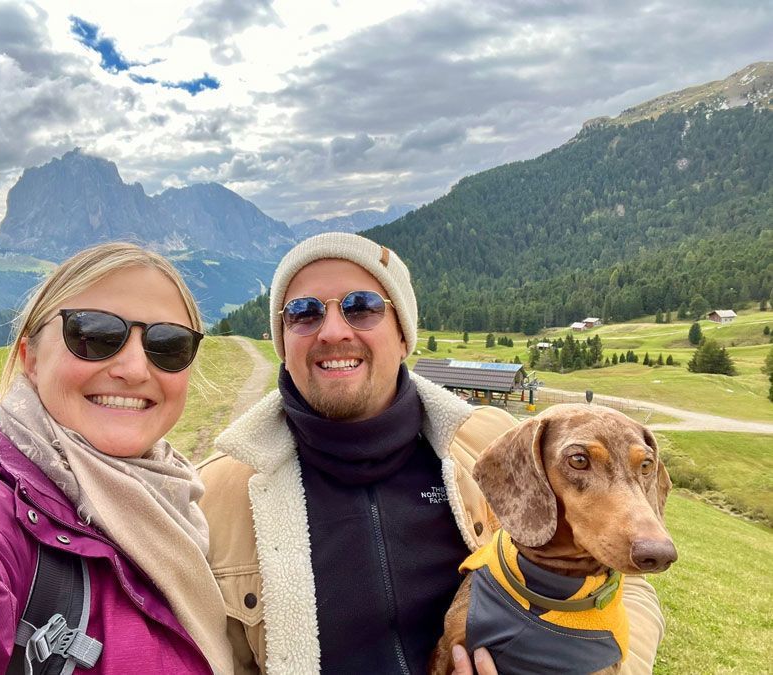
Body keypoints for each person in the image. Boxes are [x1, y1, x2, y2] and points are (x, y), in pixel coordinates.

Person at [198, 232, 665, 674]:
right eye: (303, 312)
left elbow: (629, 580)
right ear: (283, 342)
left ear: (404, 334)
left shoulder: (492, 444)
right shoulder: (210, 498)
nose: (332, 331)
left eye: (362, 307)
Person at [0, 243, 232, 674]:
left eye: (168, 344)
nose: (135, 370)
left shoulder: (175, 497)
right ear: (31, 359)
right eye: (94, 336)